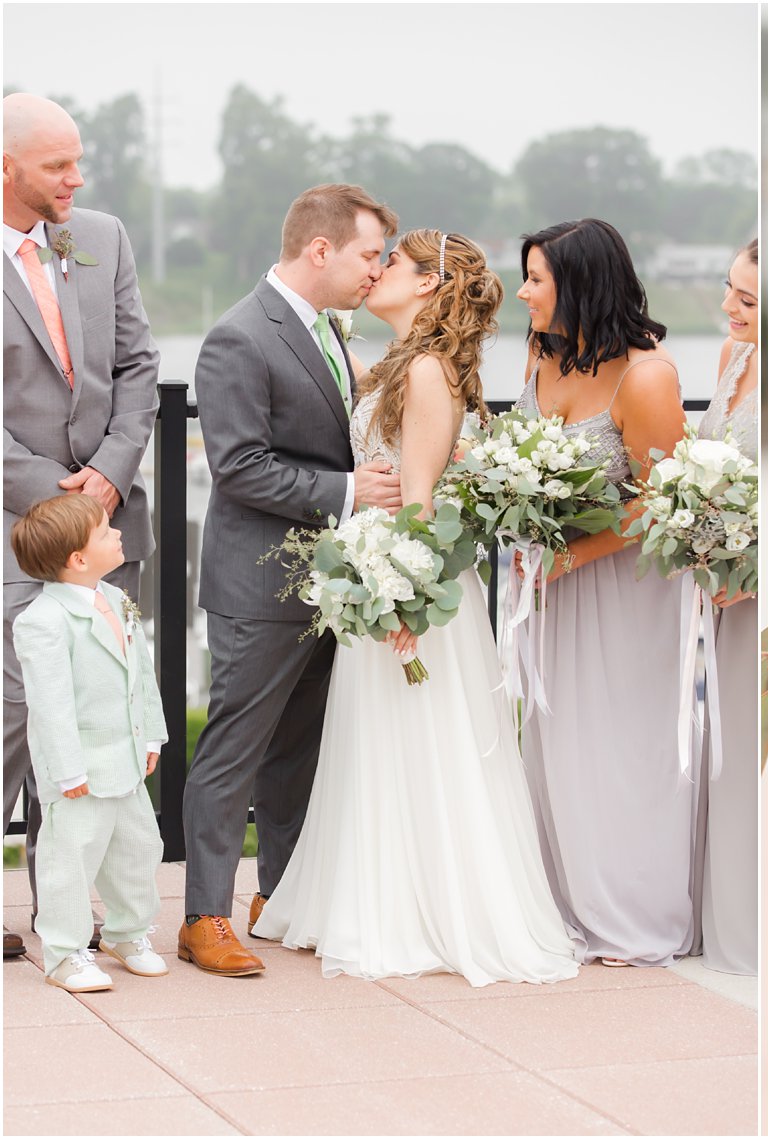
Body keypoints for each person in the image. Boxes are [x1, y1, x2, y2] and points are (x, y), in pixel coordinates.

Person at [252, 230, 578, 987]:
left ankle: (420, 908)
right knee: (379, 742)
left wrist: (398, 597)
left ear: (429, 283)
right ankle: (369, 894)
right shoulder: (399, 364)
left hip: (409, 585)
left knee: (419, 743)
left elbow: (424, 505)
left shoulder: (428, 371)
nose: (376, 270)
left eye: (390, 262)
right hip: (382, 575)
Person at [181, 184, 402, 976]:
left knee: (298, 751)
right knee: (234, 750)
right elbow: (238, 467)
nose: (376, 271)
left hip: (326, 584)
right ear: (321, 250)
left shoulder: (330, 332)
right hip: (258, 586)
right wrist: (350, 491)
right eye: (369, 254)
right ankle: (205, 914)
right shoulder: (240, 335)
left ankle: (280, 896)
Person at [2, 92, 160, 960]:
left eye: (78, 159)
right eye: (58, 164)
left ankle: (70, 914)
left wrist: (113, 467)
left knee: (101, 709)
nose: (77, 177)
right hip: (15, 524)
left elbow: (139, 362)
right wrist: (50, 492)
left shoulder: (100, 235)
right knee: (14, 714)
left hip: (104, 517)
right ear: (6, 169)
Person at [514, 218, 695, 968]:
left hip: (626, 587)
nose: (521, 293)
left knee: (620, 746)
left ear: (579, 286)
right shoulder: (540, 354)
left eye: (536, 279)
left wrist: (575, 554)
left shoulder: (647, 376)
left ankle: (633, 914)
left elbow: (665, 501)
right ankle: (563, 901)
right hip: (553, 585)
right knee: (558, 741)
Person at [10, 494, 169, 992]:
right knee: (71, 859)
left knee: (140, 849)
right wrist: (67, 771)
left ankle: (127, 933)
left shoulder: (117, 599)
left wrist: (153, 732)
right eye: (105, 532)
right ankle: (64, 952)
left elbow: (140, 674)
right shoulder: (42, 620)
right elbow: (50, 704)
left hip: (125, 759)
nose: (118, 534)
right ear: (78, 559)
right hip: (80, 769)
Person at [695, 239, 759, 976]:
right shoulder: (728, 360)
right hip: (720, 592)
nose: (728, 307)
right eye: (728, 290)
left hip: (765, 593)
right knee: (724, 751)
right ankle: (729, 918)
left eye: (747, 300)